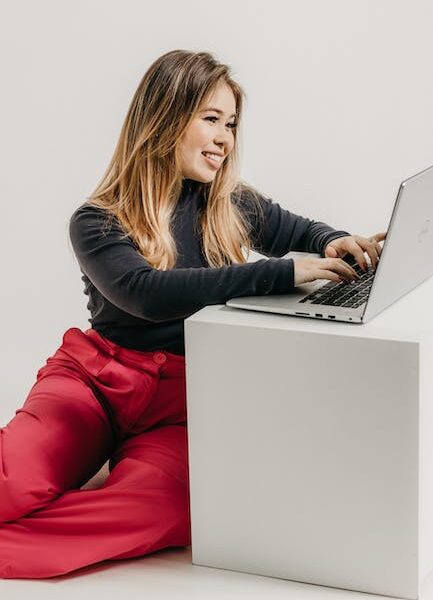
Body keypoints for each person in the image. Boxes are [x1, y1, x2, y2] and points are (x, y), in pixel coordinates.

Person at [0, 49, 385, 580]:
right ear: (164, 117)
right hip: (94, 382)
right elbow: (144, 293)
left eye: (231, 124)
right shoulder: (96, 219)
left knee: (169, 509)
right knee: (11, 483)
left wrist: (334, 241)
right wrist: (282, 273)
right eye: (211, 119)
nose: (226, 138)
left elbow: (301, 231)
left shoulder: (227, 202)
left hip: (181, 398)